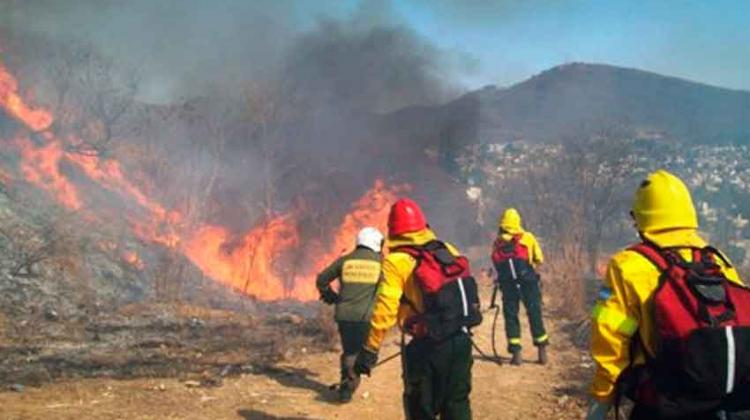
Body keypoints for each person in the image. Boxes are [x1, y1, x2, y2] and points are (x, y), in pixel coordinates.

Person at [587, 170, 750, 420]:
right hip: (725, 401)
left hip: (664, 403)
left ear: (640, 218)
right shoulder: (717, 260)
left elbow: (610, 333)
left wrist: (602, 397)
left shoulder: (627, 265)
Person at [353, 198, 481, 420]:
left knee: (420, 406)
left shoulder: (396, 261)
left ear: (393, 230)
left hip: (427, 345)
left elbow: (385, 310)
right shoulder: (446, 248)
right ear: (423, 225)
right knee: (457, 403)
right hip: (461, 339)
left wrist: (370, 350)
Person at [316, 226, 384, 402]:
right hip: (366, 317)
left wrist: (331, 297)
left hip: (344, 316)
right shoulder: (381, 263)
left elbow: (322, 279)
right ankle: (348, 385)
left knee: (349, 350)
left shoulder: (345, 261)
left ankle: (347, 382)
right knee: (361, 351)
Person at [490, 208, 548, 365]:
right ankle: (542, 351)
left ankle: (516, 354)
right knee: (534, 312)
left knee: (511, 316)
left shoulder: (498, 242)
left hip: (508, 285)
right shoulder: (527, 238)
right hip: (528, 282)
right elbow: (539, 259)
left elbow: (495, 263)